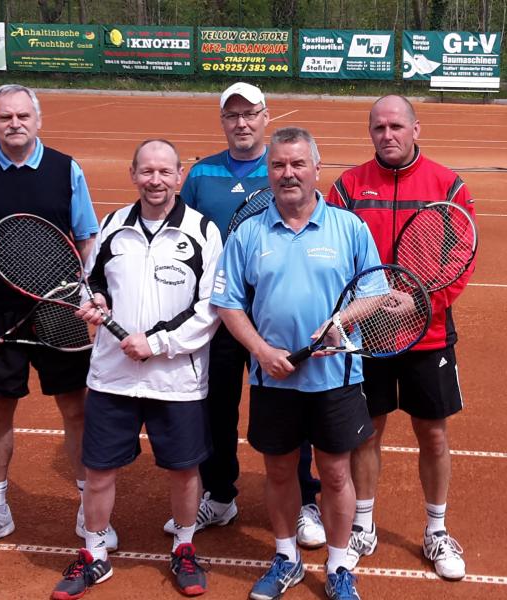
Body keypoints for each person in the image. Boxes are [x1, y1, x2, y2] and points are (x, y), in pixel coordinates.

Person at [0, 84, 112, 555]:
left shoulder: (66, 169)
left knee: (76, 409)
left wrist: (86, 293)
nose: (14, 123)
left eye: (22, 116)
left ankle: (89, 507)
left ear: (38, 120)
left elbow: (87, 238)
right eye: (5, 117)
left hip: (60, 310)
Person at [211, 127, 380, 600]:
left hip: (335, 377)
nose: (288, 173)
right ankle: (286, 557)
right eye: (279, 165)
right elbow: (227, 303)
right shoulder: (249, 232)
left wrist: (341, 322)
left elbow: (374, 292)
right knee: (281, 473)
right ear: (269, 172)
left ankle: (339, 565)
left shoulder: (349, 227)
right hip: (273, 380)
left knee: (336, 474)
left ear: (316, 169)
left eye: (298, 163)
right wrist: (261, 351)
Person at [51, 139, 222, 599]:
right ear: (133, 175)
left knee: (184, 471)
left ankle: (184, 547)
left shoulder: (203, 231)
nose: (155, 180)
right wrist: (93, 301)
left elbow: (211, 308)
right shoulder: (112, 225)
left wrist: (157, 343)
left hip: (177, 379)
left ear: (180, 176)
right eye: (147, 171)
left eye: (165, 172)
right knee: (98, 469)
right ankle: (94, 553)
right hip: (113, 376)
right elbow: (91, 282)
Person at [164, 81, 326, 550]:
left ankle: (305, 500)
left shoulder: (284, 167)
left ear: (265, 117)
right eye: (232, 115)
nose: (241, 123)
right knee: (216, 407)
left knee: (292, 406)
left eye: (250, 114)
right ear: (223, 122)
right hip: (219, 317)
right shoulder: (201, 174)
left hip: (276, 317)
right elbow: (183, 240)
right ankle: (219, 494)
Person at [327, 95, 475, 581]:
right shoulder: (348, 187)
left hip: (427, 335)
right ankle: (362, 525)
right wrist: (360, 307)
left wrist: (421, 302)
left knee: (432, 434)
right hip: (367, 334)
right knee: (366, 432)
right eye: (378, 127)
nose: (386, 135)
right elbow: (330, 251)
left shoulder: (448, 186)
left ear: (416, 128)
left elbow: (461, 259)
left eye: (395, 126)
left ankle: (436, 530)